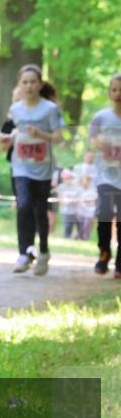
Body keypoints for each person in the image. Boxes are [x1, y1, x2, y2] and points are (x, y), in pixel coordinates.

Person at [1, 65, 64, 275]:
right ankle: (23, 253)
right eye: (24, 82)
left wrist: (40, 134)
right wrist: (9, 139)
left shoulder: (49, 109)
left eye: (32, 82)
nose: (28, 86)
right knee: (24, 205)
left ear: (40, 84)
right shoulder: (16, 109)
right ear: (20, 84)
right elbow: (13, 133)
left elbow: (58, 137)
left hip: (42, 167)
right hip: (21, 166)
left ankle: (43, 250)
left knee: (39, 210)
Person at [90, 72, 121, 276]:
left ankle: (120, 262)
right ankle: (104, 253)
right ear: (109, 92)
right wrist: (100, 142)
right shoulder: (101, 117)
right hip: (106, 176)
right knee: (103, 214)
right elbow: (92, 140)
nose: (118, 94)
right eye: (114, 89)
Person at [58, 170, 81, 239]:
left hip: (77, 211)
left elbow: (80, 197)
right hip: (66, 211)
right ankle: (67, 237)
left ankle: (78, 237)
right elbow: (60, 199)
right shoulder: (61, 187)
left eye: (69, 178)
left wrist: (75, 201)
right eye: (65, 178)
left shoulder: (76, 187)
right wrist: (65, 201)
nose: (67, 180)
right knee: (68, 226)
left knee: (80, 226)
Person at [77, 174, 98, 241]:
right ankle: (80, 236)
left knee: (87, 224)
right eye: (83, 181)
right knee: (80, 225)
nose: (84, 182)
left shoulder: (93, 189)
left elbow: (96, 199)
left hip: (90, 211)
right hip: (80, 211)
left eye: (86, 180)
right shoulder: (79, 189)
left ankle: (86, 236)